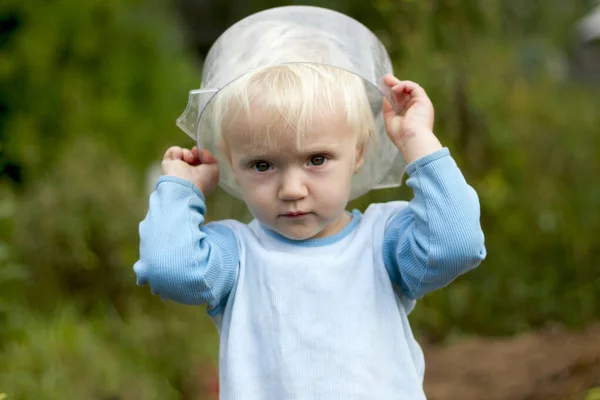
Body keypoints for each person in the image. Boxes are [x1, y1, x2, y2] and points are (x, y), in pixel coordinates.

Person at [134, 60, 486, 399]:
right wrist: (181, 190)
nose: (291, 189)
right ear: (232, 168)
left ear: (359, 152)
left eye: (316, 159)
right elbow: (169, 269)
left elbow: (457, 244)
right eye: (262, 164)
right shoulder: (237, 256)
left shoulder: (382, 241)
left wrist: (417, 139)